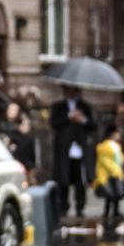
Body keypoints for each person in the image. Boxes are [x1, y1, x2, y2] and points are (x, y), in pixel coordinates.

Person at [50, 87, 94, 223]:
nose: (71, 93)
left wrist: (82, 119)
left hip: (79, 149)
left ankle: (80, 206)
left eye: (74, 91)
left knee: (80, 180)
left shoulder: (85, 106)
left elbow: (93, 125)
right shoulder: (58, 107)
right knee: (64, 179)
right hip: (64, 150)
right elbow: (53, 123)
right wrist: (69, 116)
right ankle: (63, 206)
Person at [92, 118, 124, 236]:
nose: (119, 135)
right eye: (117, 133)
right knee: (110, 195)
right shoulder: (103, 147)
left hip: (116, 175)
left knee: (116, 195)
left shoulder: (117, 146)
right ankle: (107, 212)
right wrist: (116, 170)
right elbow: (106, 162)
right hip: (107, 177)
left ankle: (115, 212)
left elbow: (120, 158)